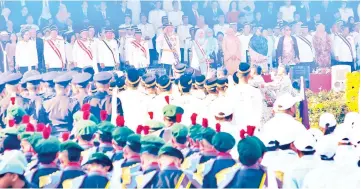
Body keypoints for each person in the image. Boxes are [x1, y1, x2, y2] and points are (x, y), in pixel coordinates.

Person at [229, 63, 264, 130]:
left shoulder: (230, 92)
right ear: (249, 75)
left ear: (237, 75)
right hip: (252, 131)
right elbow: (258, 114)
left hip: (235, 130)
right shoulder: (256, 92)